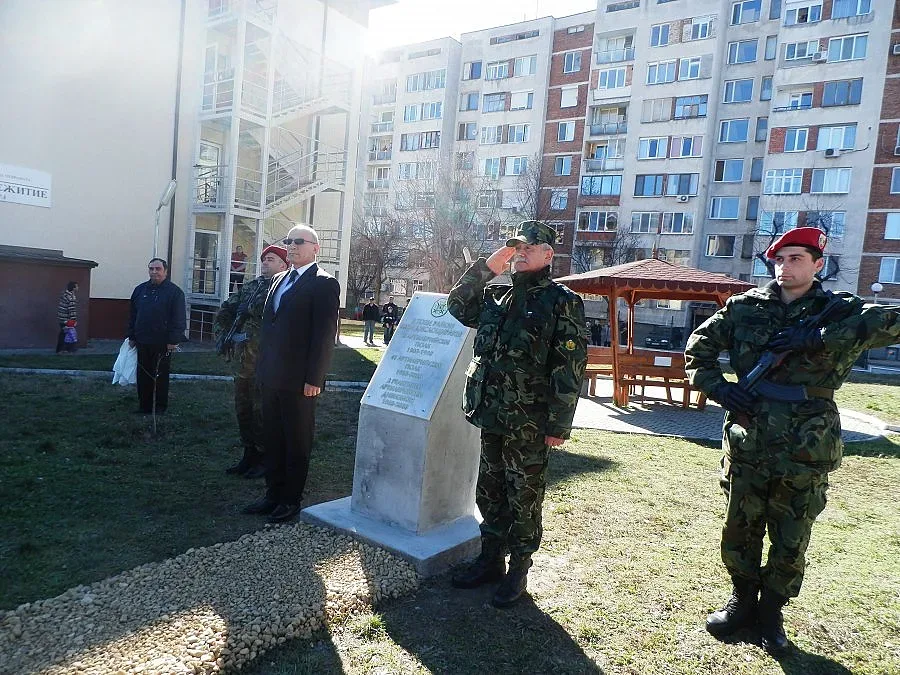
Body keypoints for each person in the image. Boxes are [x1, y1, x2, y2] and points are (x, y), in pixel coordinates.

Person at [684, 227, 900, 655]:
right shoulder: (745, 308)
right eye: (780, 259)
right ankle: (742, 601)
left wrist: (818, 338)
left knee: (791, 535)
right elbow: (698, 347)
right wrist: (721, 390)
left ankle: (772, 613)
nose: (786, 267)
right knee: (739, 529)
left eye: (797, 258)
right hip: (749, 437)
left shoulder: (842, 311)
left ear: (819, 264)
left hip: (807, 443)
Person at [446, 220, 588, 608]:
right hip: (491, 413)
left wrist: (559, 424)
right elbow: (456, 305)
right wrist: (487, 267)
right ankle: (490, 559)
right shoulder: (497, 296)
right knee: (489, 491)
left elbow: (570, 365)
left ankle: (519, 569)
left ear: (548, 255)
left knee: (523, 495)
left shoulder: (562, 302)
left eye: (529, 248)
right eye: (516, 247)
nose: (520, 253)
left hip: (530, 420)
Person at [243, 224, 340, 524]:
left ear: (315, 248)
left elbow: (324, 336)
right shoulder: (279, 280)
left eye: (299, 241)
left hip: (300, 381)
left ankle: (290, 500)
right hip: (270, 376)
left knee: (296, 440)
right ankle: (272, 494)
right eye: (288, 241)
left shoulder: (324, 283)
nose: (292, 246)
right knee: (272, 438)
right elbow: (269, 329)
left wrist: (315, 378)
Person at [215, 244, 289, 478]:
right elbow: (226, 309)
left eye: (271, 259)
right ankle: (249, 454)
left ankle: (265, 457)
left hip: (267, 362)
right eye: (264, 259)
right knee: (243, 407)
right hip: (244, 360)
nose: (265, 262)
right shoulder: (252, 286)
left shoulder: (286, 289)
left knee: (262, 410)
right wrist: (225, 335)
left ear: (284, 265)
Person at [127, 258, 186, 415]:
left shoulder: (175, 292)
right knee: (143, 376)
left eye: (158, 269)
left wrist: (173, 340)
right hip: (142, 341)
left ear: (165, 271)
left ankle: (160, 407)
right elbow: (133, 315)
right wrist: (132, 336)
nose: (154, 272)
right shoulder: (140, 290)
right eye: (151, 269)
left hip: (162, 343)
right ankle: (144, 406)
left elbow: (179, 319)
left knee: (160, 376)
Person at [56, 281, 78, 354]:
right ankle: (65, 350)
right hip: (66, 319)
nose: (78, 288)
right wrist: (73, 320)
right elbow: (71, 309)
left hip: (61, 317)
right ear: (73, 288)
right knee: (69, 334)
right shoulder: (71, 297)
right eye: (76, 286)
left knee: (63, 334)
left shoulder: (64, 294)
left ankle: (61, 349)